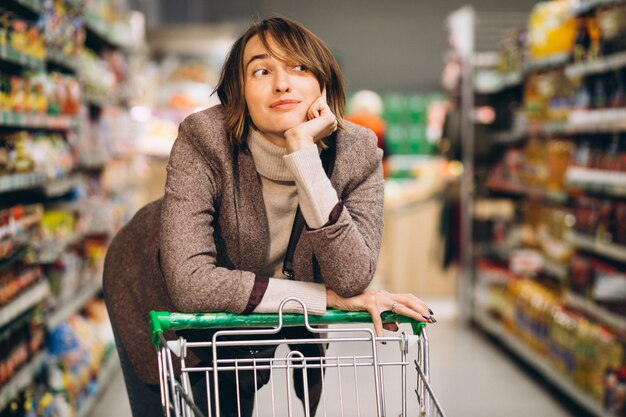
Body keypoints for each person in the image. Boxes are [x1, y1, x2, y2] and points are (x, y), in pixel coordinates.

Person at [103, 16, 435, 417]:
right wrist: (327, 299)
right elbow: (192, 285)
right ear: (238, 94)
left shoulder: (356, 151)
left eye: (299, 67)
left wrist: (305, 158)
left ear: (324, 83)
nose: (282, 84)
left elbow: (352, 276)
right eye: (261, 70)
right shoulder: (203, 139)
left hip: (248, 303)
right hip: (152, 284)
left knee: (235, 396)